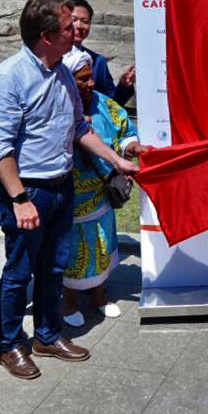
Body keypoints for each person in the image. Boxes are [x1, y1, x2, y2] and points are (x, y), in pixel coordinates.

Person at [0, 0, 139, 380]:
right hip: (28, 192)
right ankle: (10, 345)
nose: (77, 31)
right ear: (46, 35)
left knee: (55, 267)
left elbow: (80, 129)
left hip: (61, 186)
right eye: (68, 26)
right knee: (19, 271)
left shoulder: (62, 72)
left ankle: (48, 336)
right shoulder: (9, 77)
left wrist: (117, 160)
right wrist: (19, 198)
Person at [60, 50, 140, 325]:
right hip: (69, 198)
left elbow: (125, 129)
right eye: (82, 79)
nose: (91, 83)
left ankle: (99, 294)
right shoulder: (55, 107)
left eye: (90, 76)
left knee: (101, 245)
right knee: (70, 250)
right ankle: (69, 301)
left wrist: (132, 147)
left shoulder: (104, 104)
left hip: (101, 195)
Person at [64, 0, 135, 106]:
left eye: (85, 21)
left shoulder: (97, 62)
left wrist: (124, 86)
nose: (79, 26)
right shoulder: (49, 56)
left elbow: (110, 103)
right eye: (74, 20)